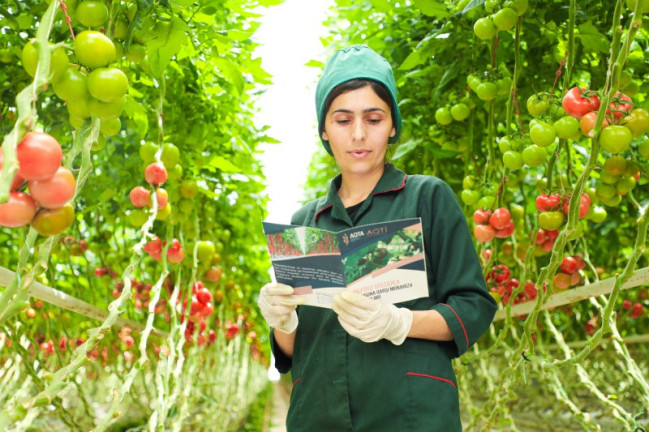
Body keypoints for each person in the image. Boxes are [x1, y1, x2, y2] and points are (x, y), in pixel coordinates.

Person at [258, 44, 497, 431]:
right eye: (342, 119)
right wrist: (282, 322)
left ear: (392, 126)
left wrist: (399, 323)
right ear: (324, 129)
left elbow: (474, 306)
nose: (358, 134)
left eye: (373, 118)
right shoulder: (305, 223)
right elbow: (297, 348)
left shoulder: (427, 198)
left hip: (410, 416)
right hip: (318, 416)